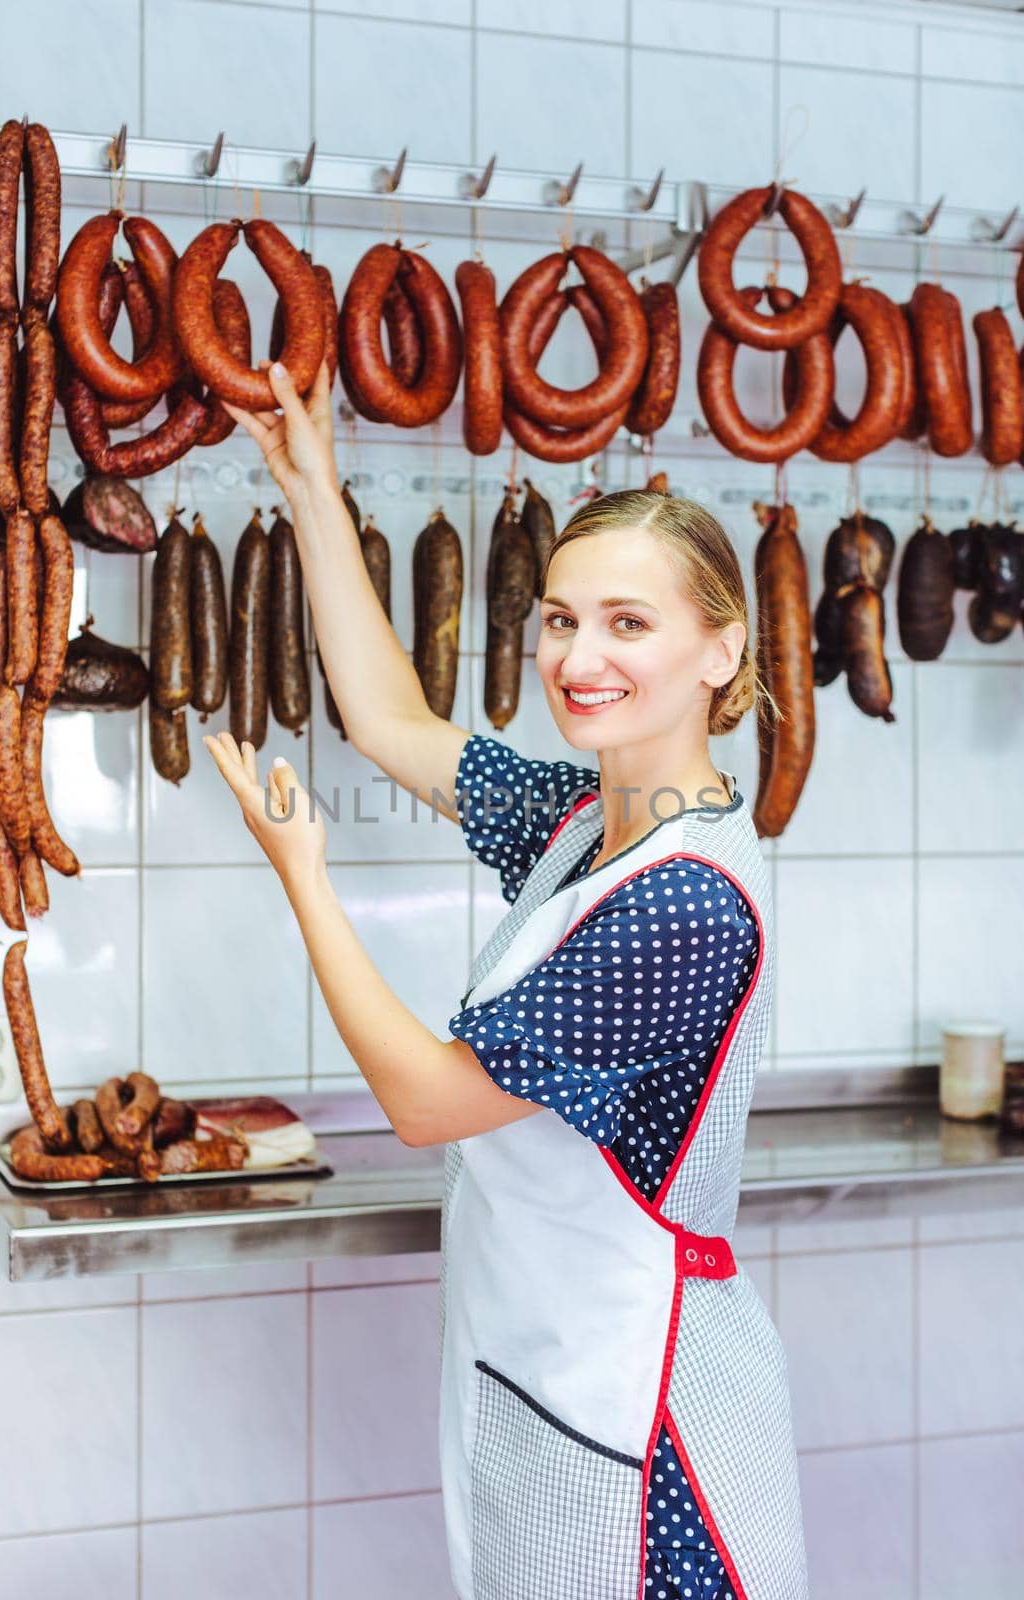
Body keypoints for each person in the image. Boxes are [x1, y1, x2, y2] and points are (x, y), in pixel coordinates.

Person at [205, 359, 809, 1600]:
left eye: (627, 623)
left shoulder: (684, 897)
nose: (576, 655)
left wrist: (305, 875)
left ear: (720, 648)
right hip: (551, 1370)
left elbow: (428, 1101)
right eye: (557, 617)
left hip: (646, 1428)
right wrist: (310, 484)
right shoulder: (588, 822)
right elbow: (388, 721)